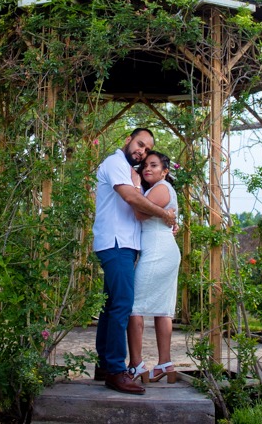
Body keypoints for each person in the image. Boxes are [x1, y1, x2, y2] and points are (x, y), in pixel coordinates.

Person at [93, 129, 177, 395]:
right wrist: (165, 215)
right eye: (140, 144)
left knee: (111, 306)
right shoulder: (115, 163)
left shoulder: (134, 173)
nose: (142, 152)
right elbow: (131, 199)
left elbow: (141, 204)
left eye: (147, 150)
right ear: (128, 140)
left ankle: (105, 365)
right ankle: (117, 371)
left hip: (126, 246)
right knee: (123, 305)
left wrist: (167, 220)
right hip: (116, 243)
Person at [127, 151, 181, 384]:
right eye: (145, 165)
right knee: (163, 309)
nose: (147, 169)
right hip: (162, 249)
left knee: (134, 306)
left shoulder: (160, 188)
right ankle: (165, 364)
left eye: (154, 165)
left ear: (165, 171)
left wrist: (135, 186)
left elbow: (140, 212)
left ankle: (136, 364)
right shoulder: (158, 189)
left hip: (158, 252)